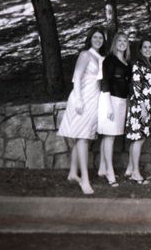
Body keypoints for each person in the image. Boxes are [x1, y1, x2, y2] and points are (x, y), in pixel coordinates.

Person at [57, 27, 106, 195]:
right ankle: (84, 179)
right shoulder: (85, 55)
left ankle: (72, 173)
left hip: (95, 99)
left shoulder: (101, 58)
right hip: (82, 99)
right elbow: (76, 77)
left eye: (101, 37)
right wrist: (78, 99)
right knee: (83, 138)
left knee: (83, 136)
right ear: (90, 38)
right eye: (95, 37)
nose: (98, 39)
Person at [97, 33, 131, 187]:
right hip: (110, 100)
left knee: (110, 137)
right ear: (115, 43)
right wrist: (108, 105)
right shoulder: (110, 60)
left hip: (122, 101)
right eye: (120, 40)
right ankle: (110, 172)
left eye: (125, 41)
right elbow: (105, 82)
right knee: (109, 137)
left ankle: (102, 169)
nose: (122, 43)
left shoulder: (126, 62)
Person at [124, 39, 151, 184]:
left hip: (147, 106)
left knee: (137, 138)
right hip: (139, 106)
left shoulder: (150, 65)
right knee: (139, 138)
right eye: (145, 47)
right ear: (140, 50)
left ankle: (130, 169)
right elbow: (137, 88)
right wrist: (143, 108)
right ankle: (136, 173)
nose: (148, 49)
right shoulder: (138, 65)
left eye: (150, 47)